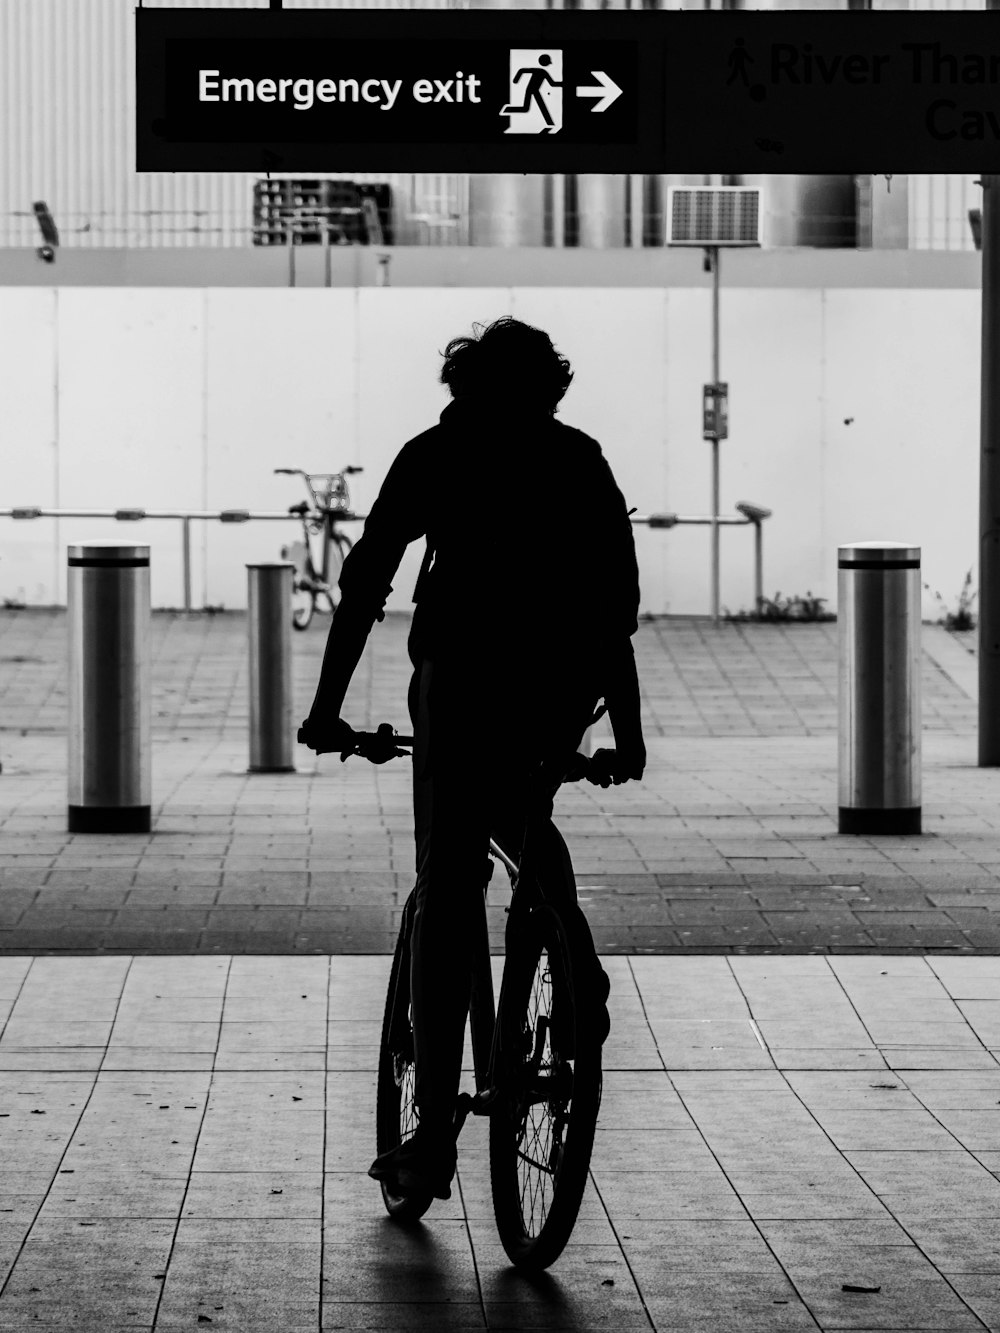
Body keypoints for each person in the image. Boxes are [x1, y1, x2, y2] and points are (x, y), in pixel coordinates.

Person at [298, 317, 645, 1200]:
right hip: (555, 690)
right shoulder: (581, 460)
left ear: (465, 383)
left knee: (449, 878)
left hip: (457, 690)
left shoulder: (435, 454)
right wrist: (630, 733)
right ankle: (579, 971)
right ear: (551, 389)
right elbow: (616, 611)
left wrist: (328, 708)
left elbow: (368, 582)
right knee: (527, 812)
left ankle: (429, 1137)